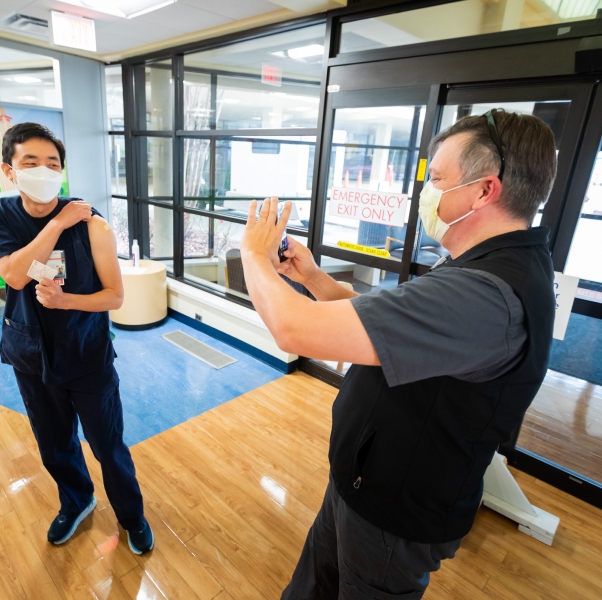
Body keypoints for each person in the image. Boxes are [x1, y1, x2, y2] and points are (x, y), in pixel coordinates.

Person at [239, 109, 557, 599]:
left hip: (393, 514)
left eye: (438, 179)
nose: (426, 191)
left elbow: (290, 328)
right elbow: (384, 329)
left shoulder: (487, 297)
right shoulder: (480, 268)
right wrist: (312, 279)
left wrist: (253, 256)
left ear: (484, 190)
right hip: (361, 481)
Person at [0, 122, 153, 554]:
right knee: (54, 444)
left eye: (52, 163)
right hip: (30, 355)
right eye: (30, 162)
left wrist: (66, 301)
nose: (43, 170)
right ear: (9, 170)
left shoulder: (93, 225)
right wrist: (57, 223)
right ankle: (77, 500)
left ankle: (132, 515)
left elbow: (114, 296)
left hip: (86, 353)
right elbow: (15, 275)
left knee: (108, 445)